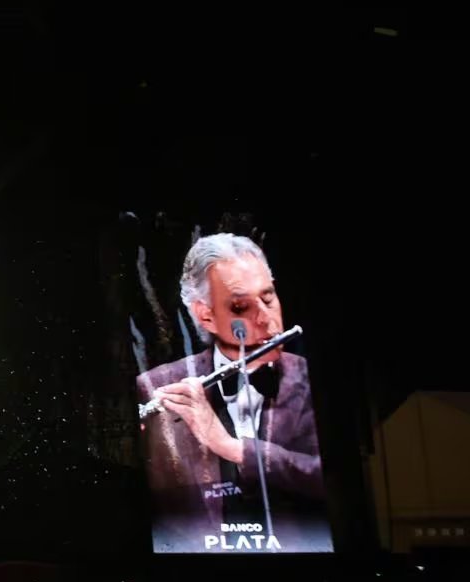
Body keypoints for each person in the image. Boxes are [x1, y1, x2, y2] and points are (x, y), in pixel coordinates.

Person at [137, 234, 329, 553]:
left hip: (302, 555)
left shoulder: (309, 378)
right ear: (205, 315)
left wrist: (229, 445)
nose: (266, 319)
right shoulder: (154, 384)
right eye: (241, 306)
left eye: (268, 299)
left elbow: (325, 476)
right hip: (195, 563)